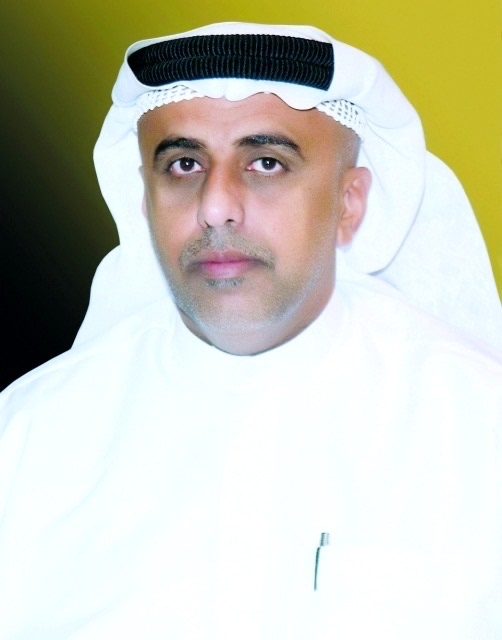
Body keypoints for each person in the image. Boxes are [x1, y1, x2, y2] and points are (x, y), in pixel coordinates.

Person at [0, 21, 500, 639]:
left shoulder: (480, 427)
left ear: (349, 202)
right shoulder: (27, 438)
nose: (216, 206)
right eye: (184, 164)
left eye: (266, 163)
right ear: (144, 199)